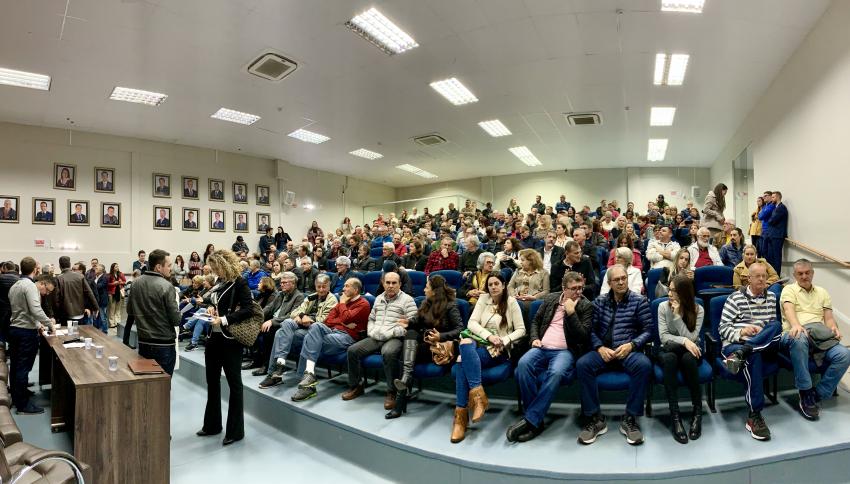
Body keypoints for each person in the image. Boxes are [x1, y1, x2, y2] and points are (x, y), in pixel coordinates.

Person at [507, 272, 591, 443]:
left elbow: (583, 337)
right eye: (573, 289)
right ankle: (536, 421)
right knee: (523, 364)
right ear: (563, 288)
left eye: (580, 288)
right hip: (542, 347)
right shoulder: (551, 298)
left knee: (556, 372)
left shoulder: (586, 305)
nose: (578, 292)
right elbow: (536, 321)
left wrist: (571, 313)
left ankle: (531, 420)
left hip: (564, 351)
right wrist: (534, 338)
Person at [576, 265, 653, 446]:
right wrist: (599, 347)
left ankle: (630, 418)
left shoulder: (639, 301)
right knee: (582, 364)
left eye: (623, 278)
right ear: (609, 283)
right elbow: (591, 331)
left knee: (644, 365)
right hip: (604, 352)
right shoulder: (599, 302)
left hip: (627, 351)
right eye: (616, 279)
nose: (620, 282)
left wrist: (632, 345)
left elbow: (649, 330)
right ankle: (595, 418)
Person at [451, 273, 525, 443]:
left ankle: (461, 418)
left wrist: (503, 340)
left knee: (463, 362)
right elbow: (471, 324)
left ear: (504, 284)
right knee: (466, 342)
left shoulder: (512, 302)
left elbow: (521, 330)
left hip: (499, 349)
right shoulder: (483, 299)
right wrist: (488, 336)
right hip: (480, 343)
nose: (493, 287)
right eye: (490, 284)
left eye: (496, 283)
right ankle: (478, 397)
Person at [718, 263, 782, 441]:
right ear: (749, 278)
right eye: (758, 276)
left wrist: (759, 335)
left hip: (757, 344)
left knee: (776, 326)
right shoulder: (735, 298)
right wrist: (742, 332)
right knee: (754, 356)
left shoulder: (771, 298)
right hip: (735, 345)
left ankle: (744, 352)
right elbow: (722, 328)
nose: (762, 279)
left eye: (764, 276)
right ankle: (755, 415)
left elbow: (772, 328)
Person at [780, 259, 850, 421]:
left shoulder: (822, 292)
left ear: (812, 273)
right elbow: (789, 310)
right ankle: (805, 391)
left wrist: (834, 328)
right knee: (799, 337)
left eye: (807, 273)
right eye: (800, 274)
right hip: (794, 333)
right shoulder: (789, 290)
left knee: (844, 354)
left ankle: (817, 394)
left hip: (819, 336)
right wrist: (796, 325)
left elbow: (829, 319)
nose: (804, 276)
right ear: (794, 275)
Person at [388, 275, 463, 419]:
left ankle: (400, 400)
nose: (424, 289)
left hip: (438, 347)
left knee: (405, 355)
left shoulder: (450, 305)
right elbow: (418, 320)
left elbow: (460, 329)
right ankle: (405, 381)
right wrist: (408, 322)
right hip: (425, 343)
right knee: (410, 334)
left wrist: (440, 336)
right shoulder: (426, 302)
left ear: (435, 291)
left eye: (427, 287)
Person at [197, 250, 252, 446]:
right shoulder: (220, 282)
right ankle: (212, 425)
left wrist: (225, 318)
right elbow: (213, 302)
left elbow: (248, 309)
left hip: (230, 341)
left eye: (215, 267)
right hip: (213, 338)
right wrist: (211, 309)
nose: (213, 270)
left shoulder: (240, 282)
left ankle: (236, 431)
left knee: (234, 385)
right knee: (212, 382)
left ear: (225, 264)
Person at [342, 272, 417, 411]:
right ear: (383, 284)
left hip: (394, 337)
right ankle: (356, 386)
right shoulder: (378, 299)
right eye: (387, 282)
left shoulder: (408, 300)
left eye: (394, 283)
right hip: (376, 336)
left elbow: (411, 324)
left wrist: (392, 333)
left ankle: (392, 392)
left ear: (400, 284)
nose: (390, 286)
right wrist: (372, 331)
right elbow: (371, 319)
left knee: (388, 353)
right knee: (352, 351)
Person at [291, 278, 371, 402]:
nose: (343, 289)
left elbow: (345, 316)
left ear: (355, 290)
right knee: (316, 326)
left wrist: (343, 304)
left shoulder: (363, 304)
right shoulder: (342, 302)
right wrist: (345, 322)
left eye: (347, 286)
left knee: (309, 338)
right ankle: (309, 375)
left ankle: (306, 383)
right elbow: (328, 321)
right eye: (344, 286)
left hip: (347, 337)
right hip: (333, 332)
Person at [259, 275, 338, 388]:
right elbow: (294, 313)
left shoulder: (332, 299)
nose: (321, 290)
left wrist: (307, 319)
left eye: (324, 287)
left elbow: (324, 320)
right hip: (302, 325)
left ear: (329, 286)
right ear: (315, 286)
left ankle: (273, 373)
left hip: (316, 329)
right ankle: (280, 364)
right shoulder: (311, 297)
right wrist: (302, 315)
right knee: (286, 323)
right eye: (318, 286)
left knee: (279, 333)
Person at [657, 276, 705, 444]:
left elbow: (693, 337)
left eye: (674, 291)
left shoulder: (698, 309)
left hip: (689, 353)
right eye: (669, 289)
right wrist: (684, 341)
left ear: (684, 293)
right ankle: (675, 416)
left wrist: (677, 317)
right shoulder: (663, 307)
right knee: (670, 358)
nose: (669, 293)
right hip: (669, 350)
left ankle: (697, 413)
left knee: (688, 359)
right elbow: (663, 338)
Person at [8, 258, 56, 414]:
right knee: (23, 368)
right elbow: (35, 310)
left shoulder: (15, 285)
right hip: (25, 333)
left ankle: (18, 395)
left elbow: (23, 311)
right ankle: (23, 405)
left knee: (15, 366)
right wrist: (50, 324)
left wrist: (37, 324)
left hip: (15, 329)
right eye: (47, 290)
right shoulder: (30, 286)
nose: (46, 293)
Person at [125, 249, 180, 374]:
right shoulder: (167, 286)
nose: (171, 268)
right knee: (163, 386)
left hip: (143, 341)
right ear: (159, 267)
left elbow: (130, 310)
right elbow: (176, 320)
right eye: (169, 265)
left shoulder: (135, 283)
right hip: (163, 344)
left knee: (148, 385)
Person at [247, 272, 304, 375]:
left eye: (284, 282)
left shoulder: (299, 296)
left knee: (268, 332)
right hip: (274, 321)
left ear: (293, 283)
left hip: (285, 324)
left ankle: (267, 365)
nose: (281, 284)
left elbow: (292, 315)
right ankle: (256, 360)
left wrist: (272, 321)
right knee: (254, 327)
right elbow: (269, 308)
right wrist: (257, 315)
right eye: (281, 282)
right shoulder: (280, 294)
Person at [53, 256, 98, 326]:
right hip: (80, 314)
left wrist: (56, 315)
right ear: (70, 265)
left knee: (67, 335)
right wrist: (96, 307)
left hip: (66, 314)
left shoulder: (58, 278)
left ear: (59, 266)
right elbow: (89, 293)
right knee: (79, 334)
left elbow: (56, 299)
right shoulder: (80, 276)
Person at [762, 191, 788, 277]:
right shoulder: (776, 207)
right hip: (772, 235)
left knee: (776, 257)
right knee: (771, 257)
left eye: (773, 197)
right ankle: (772, 275)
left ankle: (776, 276)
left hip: (777, 236)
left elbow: (772, 220)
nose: (771, 199)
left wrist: (768, 220)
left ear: (777, 197)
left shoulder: (781, 208)